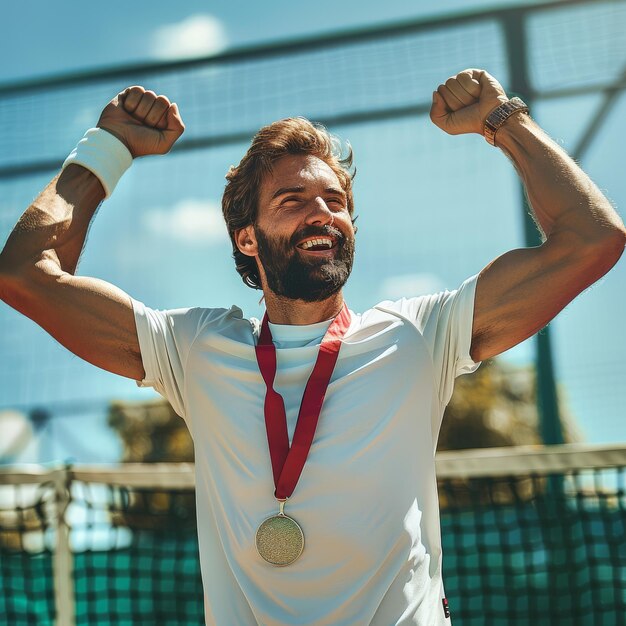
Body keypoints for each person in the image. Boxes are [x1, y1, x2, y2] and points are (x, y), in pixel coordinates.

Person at [0, 68, 624, 625]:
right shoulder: (194, 348)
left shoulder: (418, 336)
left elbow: (592, 239)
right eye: (292, 200)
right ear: (247, 239)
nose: (321, 212)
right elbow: (26, 273)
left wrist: (502, 119)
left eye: (336, 201)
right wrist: (104, 150)